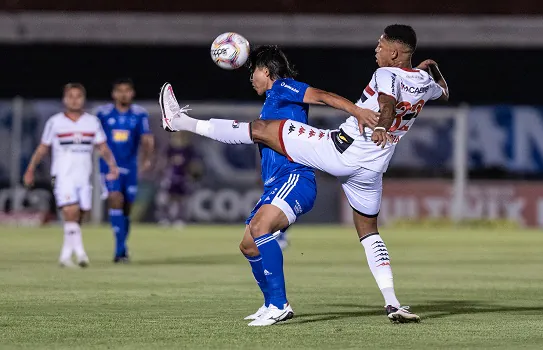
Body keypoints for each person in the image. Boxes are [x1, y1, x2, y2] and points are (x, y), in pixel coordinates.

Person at [160, 25, 450, 325]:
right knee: (369, 233)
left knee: (262, 130)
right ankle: (392, 303)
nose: (376, 49)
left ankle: (179, 121)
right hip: (373, 168)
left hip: (342, 151)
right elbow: (443, 91)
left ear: (394, 52)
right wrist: (433, 71)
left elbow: (386, 104)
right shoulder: (424, 82)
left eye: (381, 44)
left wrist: (377, 125)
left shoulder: (385, 74)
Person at [23, 83, 119, 267]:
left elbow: (102, 147)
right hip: (61, 175)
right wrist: (30, 169)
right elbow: (43, 148)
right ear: (64, 99)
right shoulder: (55, 122)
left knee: (79, 215)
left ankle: (65, 256)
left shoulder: (92, 122)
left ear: (83, 99)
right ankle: (81, 254)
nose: (74, 100)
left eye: (78, 96)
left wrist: (112, 166)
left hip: (84, 176)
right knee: (70, 211)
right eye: (71, 96)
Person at [96, 78, 154, 263]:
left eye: (127, 90)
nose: (123, 94)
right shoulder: (103, 114)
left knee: (127, 208)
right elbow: (96, 138)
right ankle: (119, 250)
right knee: (115, 199)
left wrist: (146, 159)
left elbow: (147, 139)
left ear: (132, 93)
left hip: (130, 168)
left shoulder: (139, 114)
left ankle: (122, 246)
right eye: (119, 90)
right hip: (109, 167)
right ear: (114, 94)